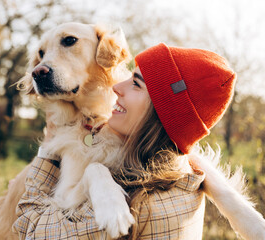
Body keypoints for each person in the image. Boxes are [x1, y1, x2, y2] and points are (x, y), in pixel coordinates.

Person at [12, 43, 236, 239]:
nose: (116, 87)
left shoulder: (128, 207)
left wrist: (52, 150)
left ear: (159, 114)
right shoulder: (187, 180)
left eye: (136, 84)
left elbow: (30, 230)